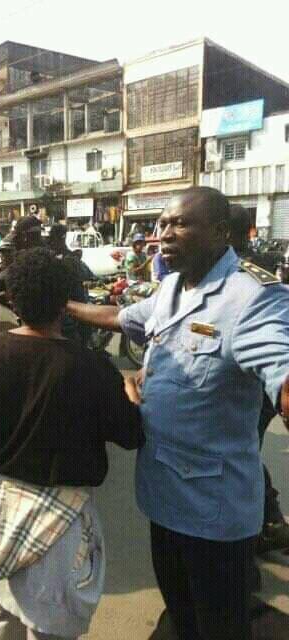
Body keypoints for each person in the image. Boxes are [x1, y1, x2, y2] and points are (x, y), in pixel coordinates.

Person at [67, 186, 289, 640]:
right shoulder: (172, 286)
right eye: (163, 223)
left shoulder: (251, 298)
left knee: (221, 626)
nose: (165, 233)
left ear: (221, 232)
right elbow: (124, 318)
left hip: (214, 511)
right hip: (163, 496)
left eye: (180, 223)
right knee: (181, 612)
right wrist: (60, 305)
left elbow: (281, 365)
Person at [0, 248, 142, 640]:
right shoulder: (92, 367)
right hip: (60, 524)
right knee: (49, 627)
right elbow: (131, 435)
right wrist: (129, 392)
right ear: (65, 305)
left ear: (12, 302)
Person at [229, 204, 289, 556]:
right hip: (260, 386)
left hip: (250, 385)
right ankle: (269, 521)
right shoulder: (262, 263)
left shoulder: (239, 273)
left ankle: (262, 527)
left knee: (240, 456)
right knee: (245, 452)